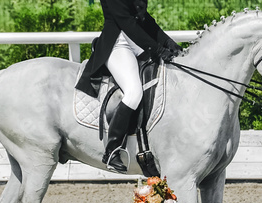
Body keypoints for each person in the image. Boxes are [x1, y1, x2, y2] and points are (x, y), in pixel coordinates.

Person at [75, 0, 183, 173]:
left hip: (136, 42)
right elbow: (126, 23)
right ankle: (112, 150)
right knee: (134, 92)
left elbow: (144, 18)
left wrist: (168, 42)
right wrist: (157, 49)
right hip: (117, 43)